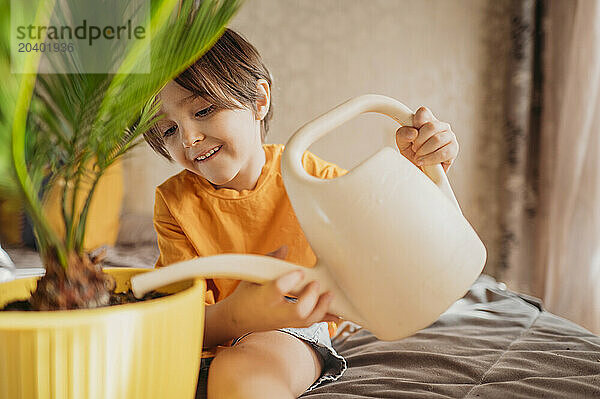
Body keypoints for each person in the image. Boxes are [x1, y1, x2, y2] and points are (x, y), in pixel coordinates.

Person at [143, 28, 459, 399]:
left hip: (296, 324)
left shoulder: (311, 178)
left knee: (243, 372)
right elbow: (181, 324)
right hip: (210, 330)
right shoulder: (172, 202)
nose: (188, 138)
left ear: (259, 100)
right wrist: (238, 315)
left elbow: (399, 247)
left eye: (203, 110)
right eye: (168, 130)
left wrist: (420, 171)